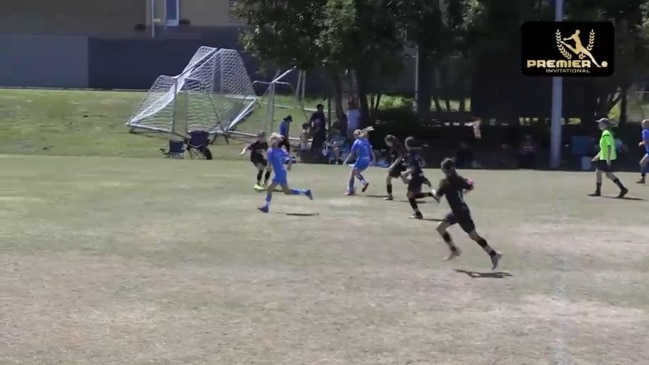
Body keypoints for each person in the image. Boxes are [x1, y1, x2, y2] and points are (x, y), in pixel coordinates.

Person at [431, 158, 502, 270]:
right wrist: (466, 190)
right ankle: (454, 250)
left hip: (461, 214)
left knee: (474, 236)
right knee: (440, 228)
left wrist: (433, 192)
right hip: (458, 211)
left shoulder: (444, 183)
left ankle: (493, 254)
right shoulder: (458, 179)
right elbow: (471, 184)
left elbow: (437, 197)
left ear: (444, 170)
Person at [258, 133, 313, 213]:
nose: (274, 142)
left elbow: (289, 157)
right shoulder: (270, 151)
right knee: (287, 191)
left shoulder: (280, 151)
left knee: (270, 189)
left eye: (276, 141)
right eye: (273, 140)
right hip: (279, 173)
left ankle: (266, 207)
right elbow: (270, 163)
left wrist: (289, 165)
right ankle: (305, 192)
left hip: (281, 173)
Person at [589, 118, 628, 198]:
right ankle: (622, 188)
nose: (599, 125)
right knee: (608, 174)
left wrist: (608, 158)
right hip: (604, 156)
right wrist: (597, 156)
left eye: (600, 123)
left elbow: (609, 146)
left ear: (605, 125)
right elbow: (604, 148)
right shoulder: (606, 132)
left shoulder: (606, 133)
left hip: (606, 157)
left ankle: (598, 191)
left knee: (599, 172)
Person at [402, 137, 434, 219]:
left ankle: (418, 213)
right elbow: (422, 163)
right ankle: (430, 194)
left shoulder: (411, 154)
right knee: (412, 195)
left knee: (410, 195)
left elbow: (413, 168)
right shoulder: (417, 152)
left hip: (416, 176)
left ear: (406, 144)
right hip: (420, 175)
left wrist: (405, 173)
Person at [343, 127, 375, 195]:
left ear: (356, 135)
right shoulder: (366, 141)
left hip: (361, 159)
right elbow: (371, 151)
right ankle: (364, 182)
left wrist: (346, 161)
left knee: (352, 173)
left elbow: (352, 154)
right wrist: (374, 159)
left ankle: (350, 190)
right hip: (367, 159)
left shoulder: (357, 142)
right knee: (356, 173)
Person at [384, 135, 408, 200]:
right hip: (399, 166)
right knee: (405, 181)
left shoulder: (396, 148)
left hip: (398, 166)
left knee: (388, 178)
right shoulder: (394, 147)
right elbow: (394, 158)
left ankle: (390, 196)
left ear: (390, 141)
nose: (386, 143)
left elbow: (399, 157)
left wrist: (392, 166)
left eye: (386, 142)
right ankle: (417, 181)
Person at [637, 119, 649, 184]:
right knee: (642, 163)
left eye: (643, 124)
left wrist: (642, 143)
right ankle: (643, 179)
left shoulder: (645, 131)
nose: (642, 125)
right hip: (648, 152)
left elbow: (646, 141)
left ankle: (643, 179)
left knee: (642, 163)